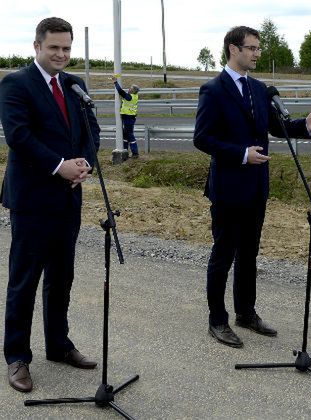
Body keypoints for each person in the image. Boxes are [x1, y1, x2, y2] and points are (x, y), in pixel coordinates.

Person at [194, 26, 311, 348]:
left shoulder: (259, 89)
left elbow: (274, 127)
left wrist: (302, 127)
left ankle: (246, 313)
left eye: (257, 48)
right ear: (232, 50)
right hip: (228, 188)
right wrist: (240, 154)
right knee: (224, 254)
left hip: (256, 188)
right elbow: (202, 138)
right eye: (251, 48)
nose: (256, 53)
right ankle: (217, 319)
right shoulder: (213, 90)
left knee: (249, 253)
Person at [0, 17, 100, 393]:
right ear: (37, 46)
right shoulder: (16, 84)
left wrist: (84, 164)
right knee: (24, 281)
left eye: (67, 48)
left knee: (62, 278)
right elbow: (19, 135)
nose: (61, 54)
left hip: (68, 198)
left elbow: (91, 131)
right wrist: (60, 166)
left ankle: (58, 345)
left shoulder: (74, 85)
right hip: (31, 201)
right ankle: (17, 357)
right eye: (54, 47)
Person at [111, 76, 140, 158]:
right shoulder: (133, 96)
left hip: (128, 117)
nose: (129, 89)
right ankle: (126, 151)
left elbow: (120, 91)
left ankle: (135, 153)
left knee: (130, 135)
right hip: (129, 117)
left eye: (131, 88)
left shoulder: (130, 97)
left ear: (134, 91)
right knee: (126, 135)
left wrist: (115, 82)